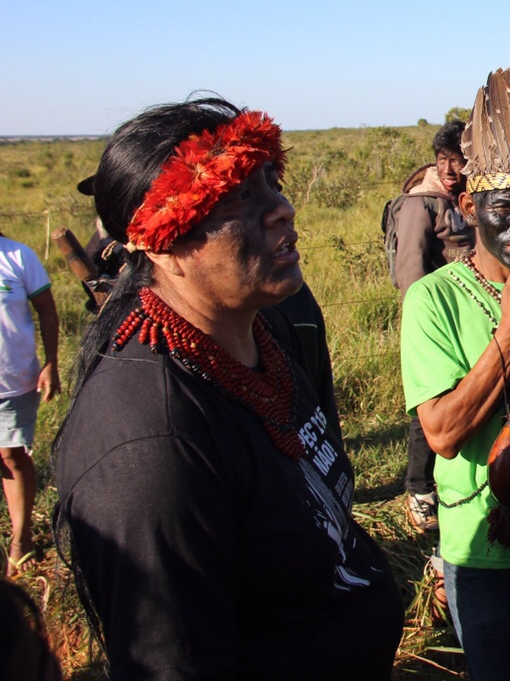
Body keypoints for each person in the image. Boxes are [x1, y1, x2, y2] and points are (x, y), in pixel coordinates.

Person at [54, 98, 403, 677]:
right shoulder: (151, 442)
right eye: (238, 196)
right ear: (162, 241)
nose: (283, 209)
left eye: (272, 182)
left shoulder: (260, 336)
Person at [400, 68, 510, 680]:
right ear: (466, 204)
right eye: (505, 208)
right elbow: (444, 433)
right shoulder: (434, 300)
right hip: (486, 549)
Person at [395, 120, 475, 533]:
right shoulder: (420, 203)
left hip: (469, 312)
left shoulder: (464, 197)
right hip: (435, 315)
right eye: (443, 159)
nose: (448, 168)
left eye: (457, 160)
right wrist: (422, 322)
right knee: (429, 405)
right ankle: (419, 492)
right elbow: (410, 271)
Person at [0, 232, 59, 577]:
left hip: (13, 380)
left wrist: (51, 362)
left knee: (11, 456)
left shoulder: (18, 257)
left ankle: (20, 541)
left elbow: (48, 311)